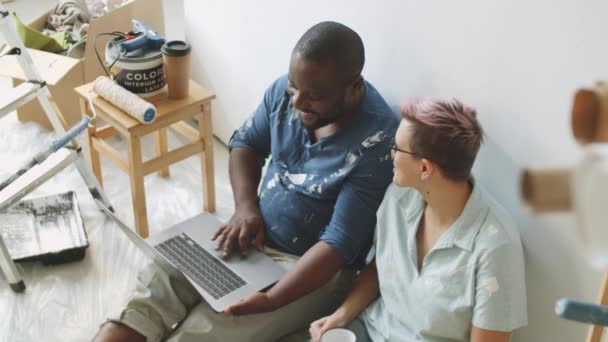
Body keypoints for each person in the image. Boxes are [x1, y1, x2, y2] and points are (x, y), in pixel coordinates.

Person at [92, 21, 399, 342]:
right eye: (294, 86)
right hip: (252, 235)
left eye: (314, 96)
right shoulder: (289, 91)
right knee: (160, 281)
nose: (295, 102)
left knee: (207, 330)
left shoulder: (377, 143)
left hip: (309, 269)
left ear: (354, 87)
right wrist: (245, 209)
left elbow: (338, 244)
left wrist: (272, 299)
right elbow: (246, 144)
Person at [310, 98, 527, 342]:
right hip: (371, 331)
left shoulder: (496, 247)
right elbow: (379, 269)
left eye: (397, 148)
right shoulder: (397, 197)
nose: (391, 153)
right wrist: (340, 316)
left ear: (425, 168)